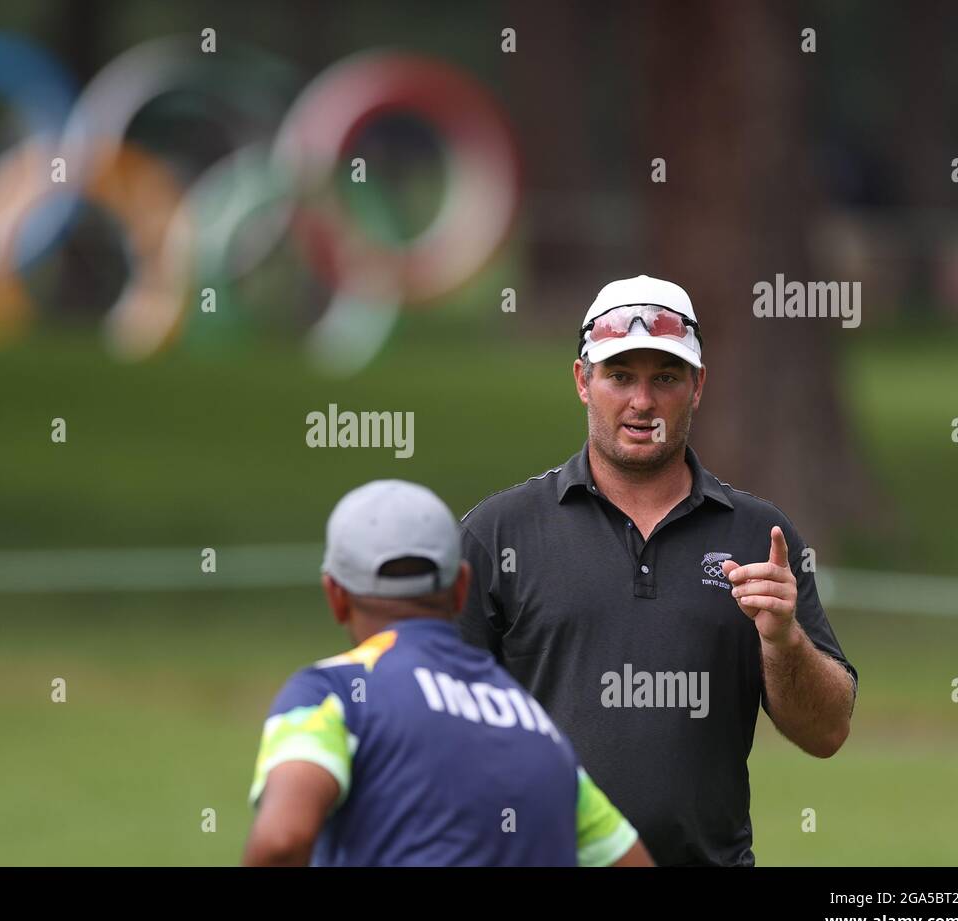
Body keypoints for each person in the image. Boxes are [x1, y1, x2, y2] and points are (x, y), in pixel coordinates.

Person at [458, 274, 858, 866]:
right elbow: (436, 716)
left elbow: (826, 732)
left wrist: (784, 639)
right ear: (582, 381)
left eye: (665, 378)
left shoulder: (758, 536)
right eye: (620, 376)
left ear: (697, 387)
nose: (642, 402)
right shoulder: (499, 533)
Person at [243, 479, 651, 866]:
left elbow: (283, 841)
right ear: (461, 589)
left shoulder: (334, 692)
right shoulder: (541, 730)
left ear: (335, 595)